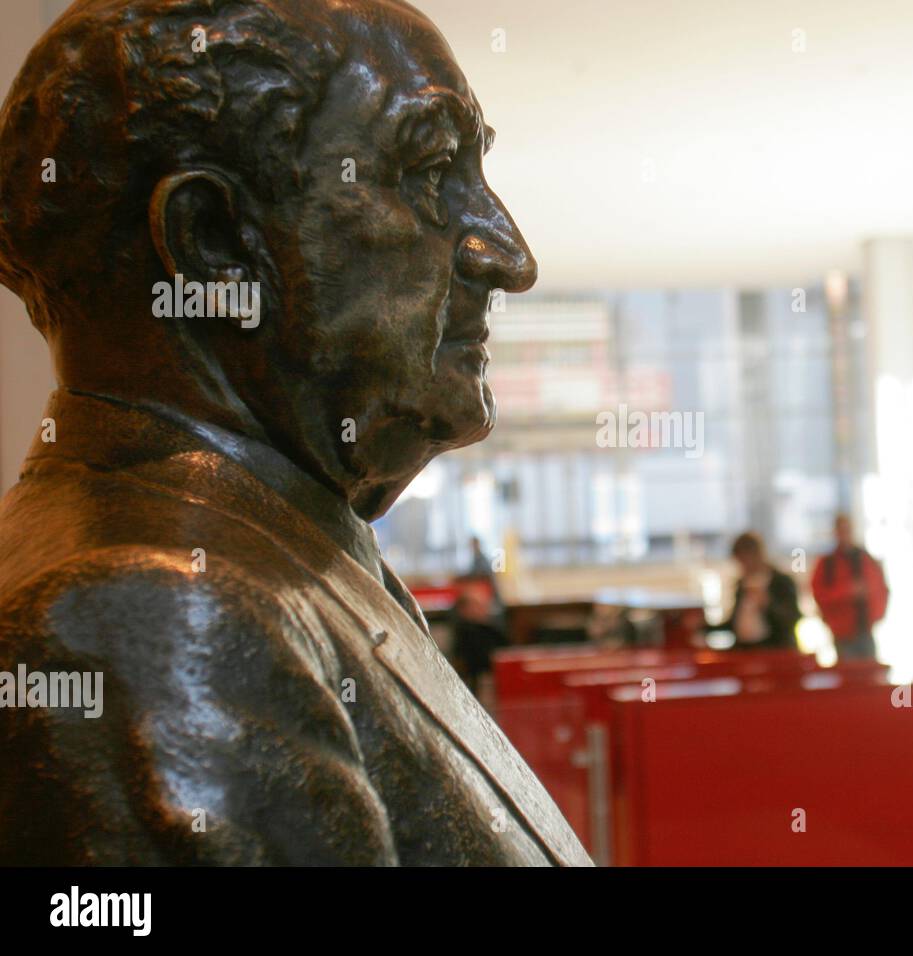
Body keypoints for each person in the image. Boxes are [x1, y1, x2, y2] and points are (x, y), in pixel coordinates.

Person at [0, 0, 588, 866]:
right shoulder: (160, 614)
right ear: (216, 246)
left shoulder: (277, 548)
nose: (510, 255)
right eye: (429, 171)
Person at [811, 514, 889, 660]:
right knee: (848, 672)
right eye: (841, 530)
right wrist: (847, 592)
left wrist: (877, 613)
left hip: (865, 628)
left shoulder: (865, 559)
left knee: (869, 671)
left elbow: (881, 589)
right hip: (842, 632)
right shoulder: (827, 564)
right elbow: (820, 595)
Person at [714, 532, 801, 651]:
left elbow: (792, 618)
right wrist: (704, 626)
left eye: (744, 560)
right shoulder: (741, 583)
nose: (742, 566)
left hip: (774, 650)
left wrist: (766, 603)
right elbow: (734, 622)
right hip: (745, 648)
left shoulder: (781, 582)